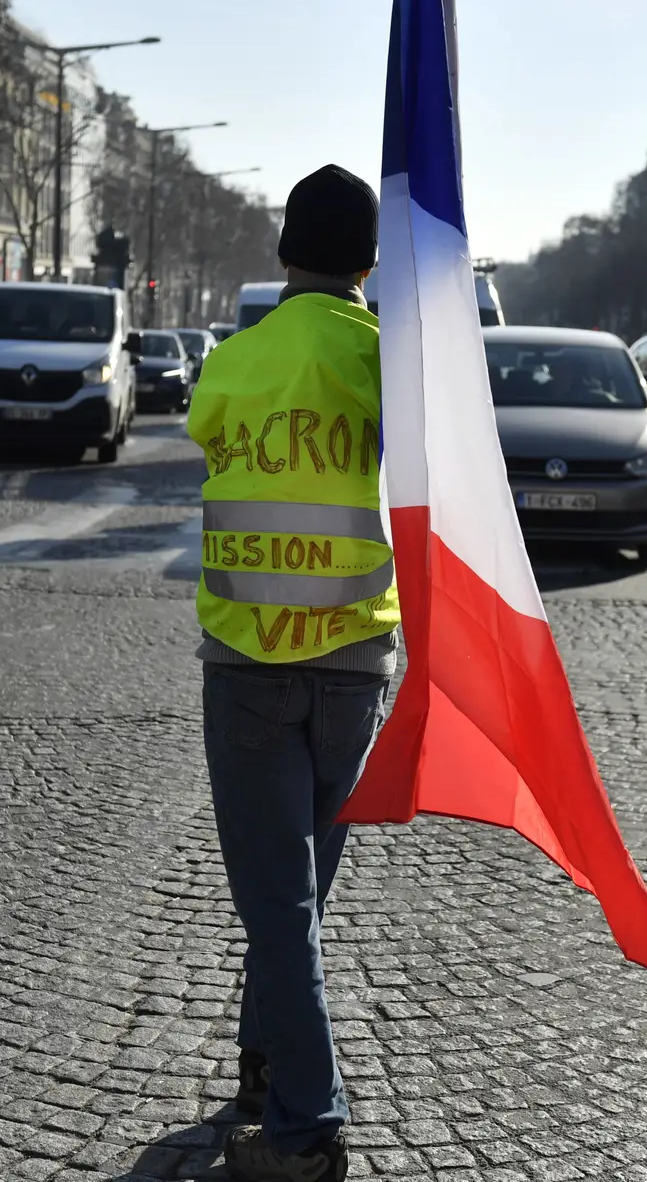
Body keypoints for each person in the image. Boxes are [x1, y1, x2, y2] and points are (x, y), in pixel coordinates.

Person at [187, 165, 398, 1182]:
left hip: (249, 661)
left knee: (278, 909)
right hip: (356, 662)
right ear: (368, 259)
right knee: (301, 893)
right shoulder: (391, 361)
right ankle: (264, 1063)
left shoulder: (235, 359)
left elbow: (208, 438)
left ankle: (309, 1128)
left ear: (283, 251)